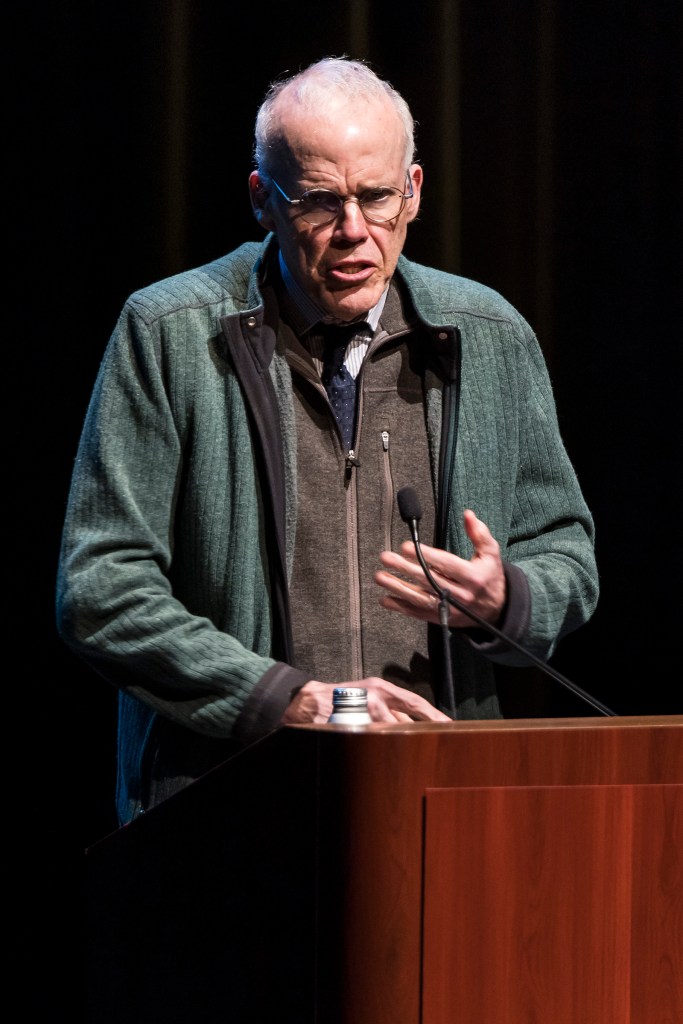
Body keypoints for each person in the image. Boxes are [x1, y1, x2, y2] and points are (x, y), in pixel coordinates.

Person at [56, 56, 599, 826]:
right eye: (318, 201)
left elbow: (565, 552)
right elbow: (101, 588)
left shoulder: (488, 335)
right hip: (226, 806)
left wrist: (508, 596)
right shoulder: (168, 333)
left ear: (413, 191)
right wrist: (289, 700)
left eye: (375, 197)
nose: (352, 231)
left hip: (436, 804)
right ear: (261, 199)